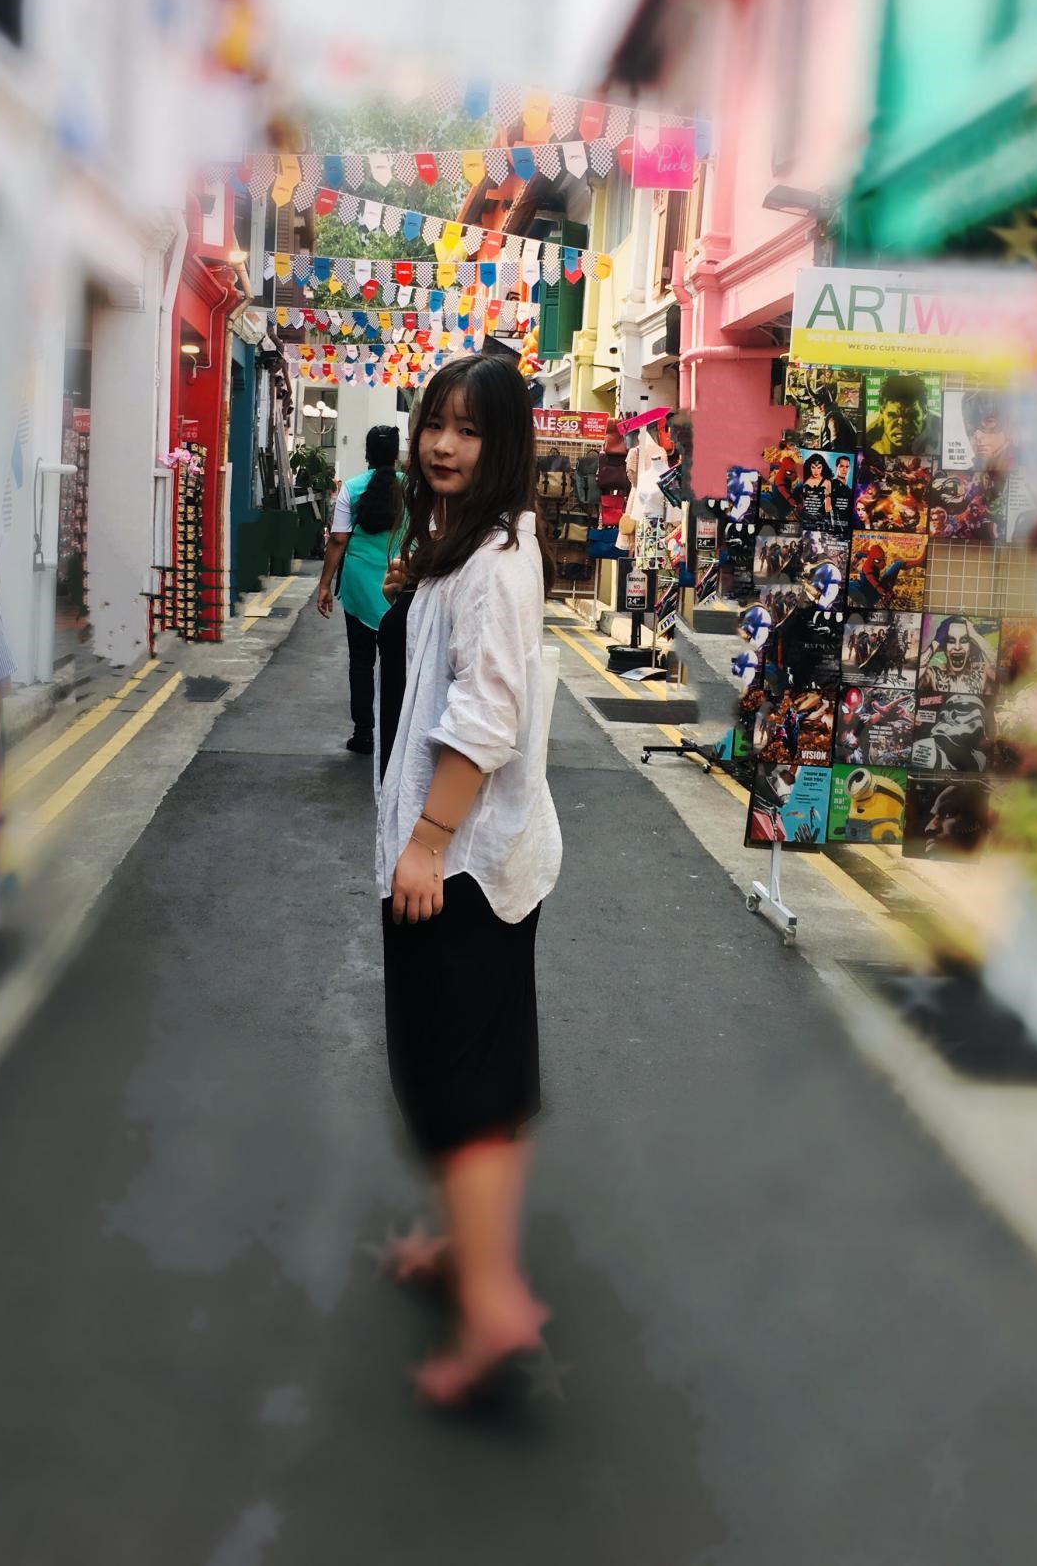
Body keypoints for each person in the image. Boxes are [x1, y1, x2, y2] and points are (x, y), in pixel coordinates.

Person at [373, 356, 561, 1408]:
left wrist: (427, 841)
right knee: (475, 1074)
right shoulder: (470, 545)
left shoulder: (493, 561)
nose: (442, 445)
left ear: (505, 444)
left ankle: (491, 1310)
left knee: (459, 1089)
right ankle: (468, 1251)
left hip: (463, 871)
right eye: (433, 423)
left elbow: (485, 717)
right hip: (478, 862)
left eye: (469, 429)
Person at [316, 425, 403, 754]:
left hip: (358, 588)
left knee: (361, 664)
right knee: (398, 665)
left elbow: (338, 540)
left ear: (367, 454)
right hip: (401, 585)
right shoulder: (414, 489)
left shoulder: (351, 488)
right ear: (396, 453)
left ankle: (363, 733)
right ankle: (396, 735)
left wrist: (324, 585)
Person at [864, 374, 942, 458]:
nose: (901, 423)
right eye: (893, 415)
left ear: (925, 412)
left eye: (911, 415)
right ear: (882, 413)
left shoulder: (941, 428)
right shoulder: (867, 429)